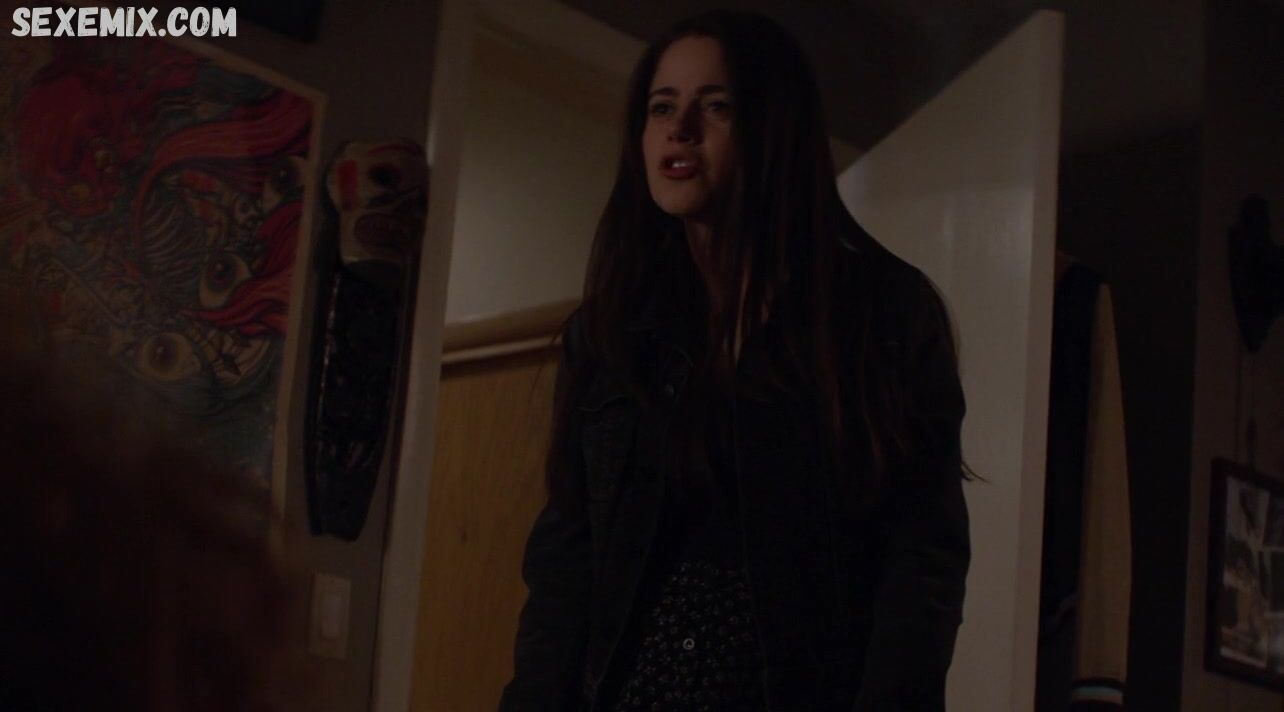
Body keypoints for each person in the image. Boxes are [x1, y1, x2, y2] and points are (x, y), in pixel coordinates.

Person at [500, 9, 970, 711]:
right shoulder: (609, 332)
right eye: (662, 107)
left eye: (715, 106)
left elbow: (921, 560)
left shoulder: (882, 314)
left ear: (773, 128)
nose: (680, 130)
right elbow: (567, 560)